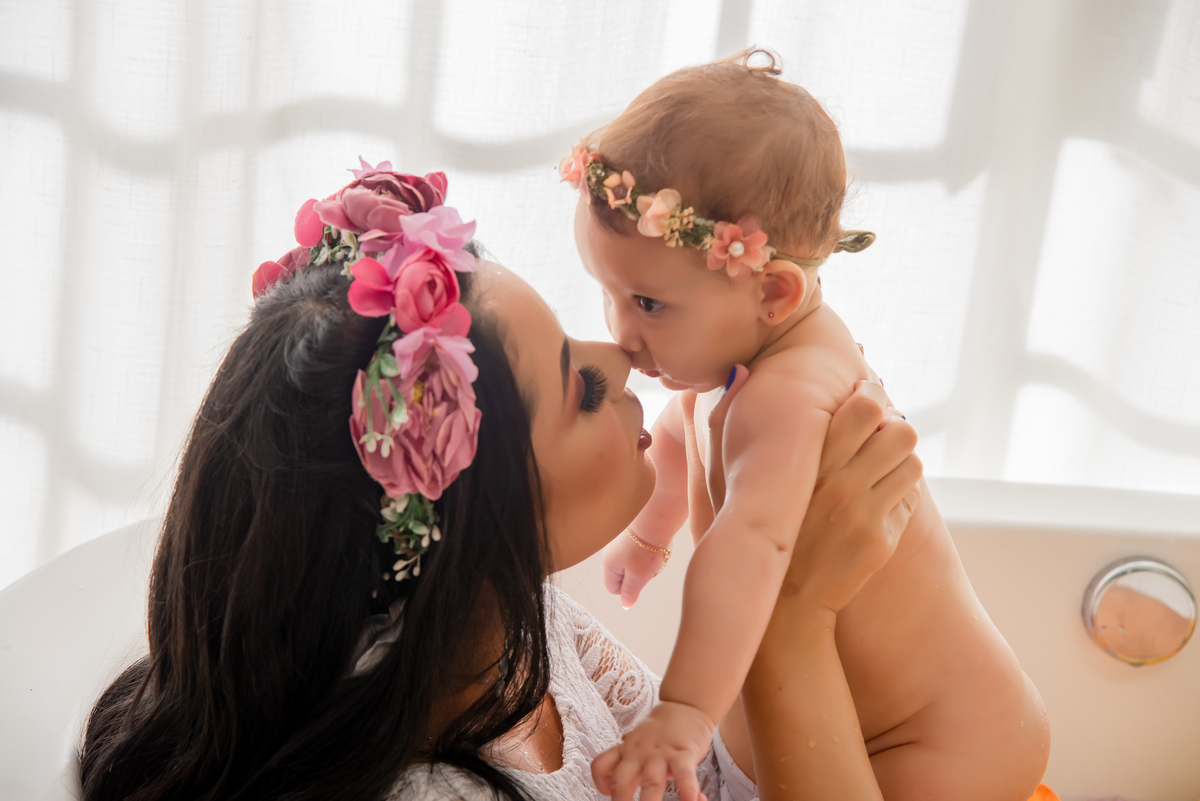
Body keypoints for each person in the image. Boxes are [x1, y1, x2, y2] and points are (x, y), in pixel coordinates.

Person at [78, 163, 922, 801]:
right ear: (477, 521)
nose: (622, 356)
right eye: (579, 389)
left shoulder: (510, 625)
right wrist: (793, 619)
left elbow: (703, 777)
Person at [562, 51, 1050, 801]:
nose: (620, 332)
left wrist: (685, 711)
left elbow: (746, 549)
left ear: (775, 292)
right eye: (608, 292)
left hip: (935, 745)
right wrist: (651, 532)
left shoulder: (790, 394)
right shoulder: (739, 352)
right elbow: (681, 429)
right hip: (868, 735)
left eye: (647, 304)